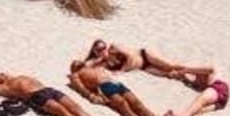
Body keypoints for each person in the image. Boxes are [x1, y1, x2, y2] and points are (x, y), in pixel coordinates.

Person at [81, 40, 216, 90]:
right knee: (170, 75)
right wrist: (95, 59)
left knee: (170, 66)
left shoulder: (114, 47)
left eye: (103, 47)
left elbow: (130, 57)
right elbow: (87, 66)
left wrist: (121, 70)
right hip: (143, 67)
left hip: (145, 55)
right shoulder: (104, 62)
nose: (103, 50)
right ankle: (197, 81)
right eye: (99, 49)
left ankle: (202, 70)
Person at [67, 60, 157, 116]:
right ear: (73, 68)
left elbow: (100, 59)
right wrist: (91, 96)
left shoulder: (92, 67)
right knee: (122, 103)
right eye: (74, 63)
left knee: (135, 101)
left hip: (116, 83)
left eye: (78, 61)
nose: (77, 61)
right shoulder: (75, 75)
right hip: (103, 86)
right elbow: (81, 88)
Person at [157, 72, 230, 116]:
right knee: (199, 109)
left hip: (219, 90)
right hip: (221, 98)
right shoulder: (192, 81)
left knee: (198, 106)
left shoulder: (193, 80)